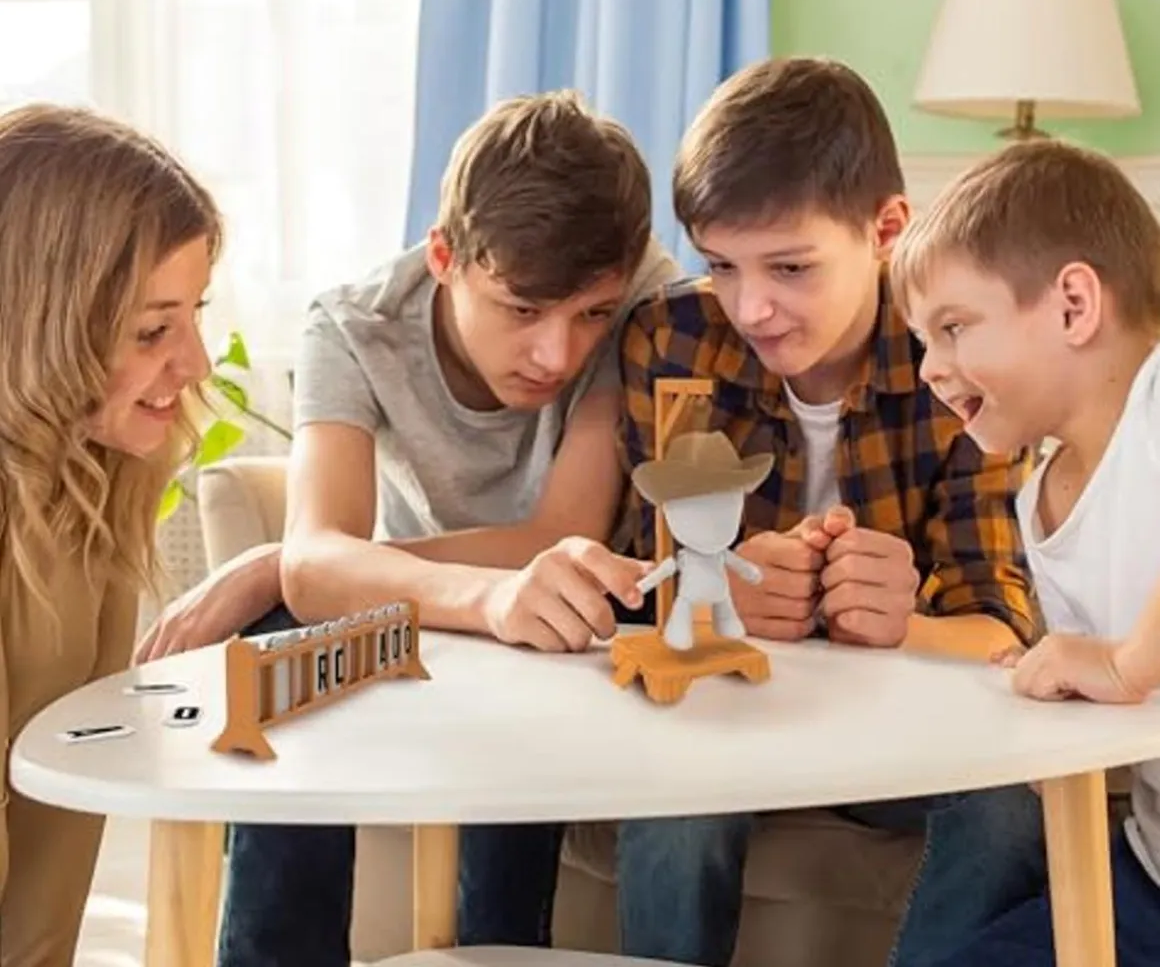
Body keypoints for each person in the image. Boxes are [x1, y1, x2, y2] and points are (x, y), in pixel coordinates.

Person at [212, 90, 680, 967]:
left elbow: (560, 535)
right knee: (282, 648)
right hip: (424, 614)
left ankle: (501, 948)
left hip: (582, 618)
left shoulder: (645, 297)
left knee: (547, 635)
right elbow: (318, 566)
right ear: (443, 258)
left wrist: (296, 563)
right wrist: (316, 569)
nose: (558, 355)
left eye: (590, 314)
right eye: (521, 309)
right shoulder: (354, 326)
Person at [598, 57, 1048, 967]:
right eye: (722, 266)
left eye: (791, 267)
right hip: (730, 712)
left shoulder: (957, 364)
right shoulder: (673, 339)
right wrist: (719, 600)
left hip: (902, 724)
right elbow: (650, 589)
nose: (751, 306)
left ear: (886, 230)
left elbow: (1002, 625)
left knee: (1007, 811)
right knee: (675, 803)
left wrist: (903, 626)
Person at [893, 140, 1160, 966]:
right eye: (922, 341)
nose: (930, 369)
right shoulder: (1039, 498)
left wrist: (1125, 663)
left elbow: (1125, 668)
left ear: (1074, 305)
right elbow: (1099, 692)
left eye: (953, 328)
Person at [0, 103, 222, 965]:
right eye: (152, 331)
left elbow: (52, 849)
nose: (195, 363)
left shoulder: (97, 480)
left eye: (194, 315)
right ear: (39, 324)